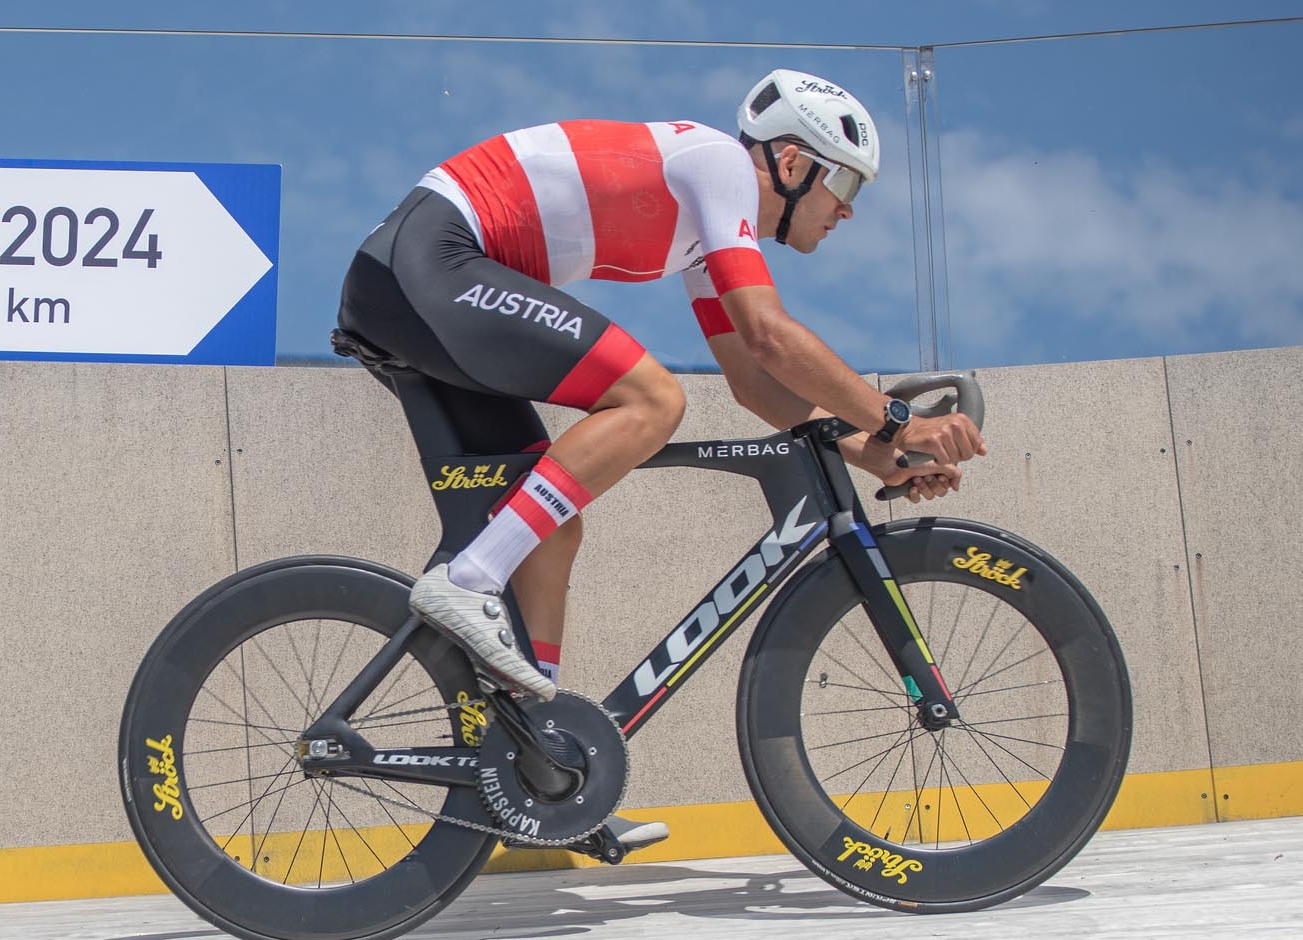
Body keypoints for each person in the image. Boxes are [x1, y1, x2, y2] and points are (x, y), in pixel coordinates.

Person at [336, 69, 985, 852]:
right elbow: (771, 335)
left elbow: (755, 384)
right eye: (843, 181)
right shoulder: (716, 165)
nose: (848, 207)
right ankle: (468, 581)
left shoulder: (711, 236)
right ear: (788, 163)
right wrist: (898, 418)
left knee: (549, 527)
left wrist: (875, 452)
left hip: (422, 278)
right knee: (652, 399)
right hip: (433, 259)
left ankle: (537, 772)